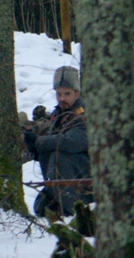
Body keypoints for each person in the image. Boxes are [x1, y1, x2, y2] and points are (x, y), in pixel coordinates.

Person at [23, 67, 92, 217]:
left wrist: (38, 142)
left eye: (67, 94)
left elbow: (71, 142)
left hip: (88, 180)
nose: (62, 98)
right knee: (42, 208)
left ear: (77, 93)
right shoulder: (58, 114)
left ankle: (74, 208)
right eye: (59, 94)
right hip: (66, 179)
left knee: (60, 153)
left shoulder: (85, 115)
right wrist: (32, 142)